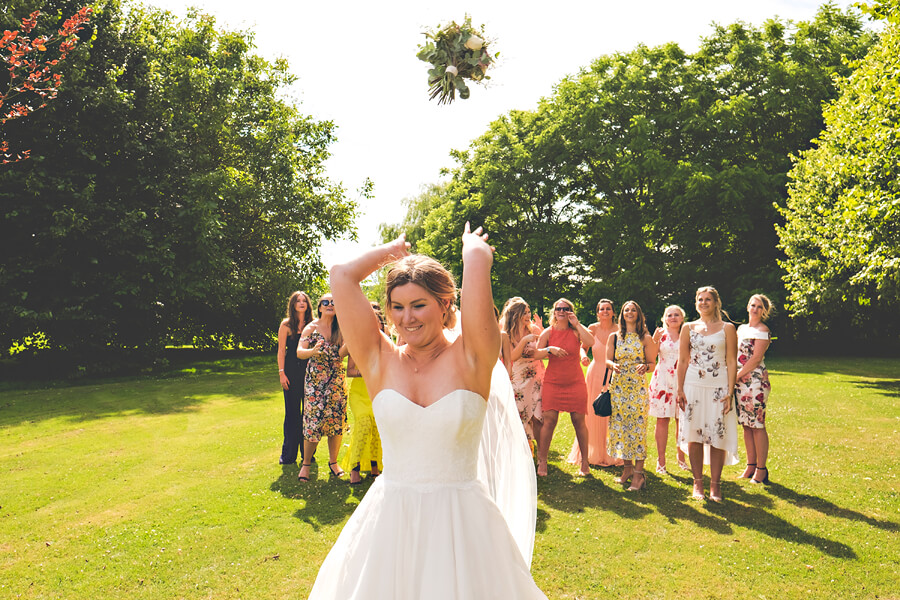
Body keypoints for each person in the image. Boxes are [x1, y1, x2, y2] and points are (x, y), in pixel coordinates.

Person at [311, 224, 546, 599]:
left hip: (464, 527)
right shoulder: (378, 360)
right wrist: (394, 251)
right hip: (390, 524)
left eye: (418, 305)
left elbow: (478, 259)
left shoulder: (472, 357)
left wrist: (472, 247)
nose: (407, 319)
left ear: (445, 305)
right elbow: (341, 275)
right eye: (398, 307)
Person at [676, 286, 739, 502]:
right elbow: (683, 361)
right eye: (700, 299)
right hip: (693, 385)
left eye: (708, 299)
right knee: (694, 435)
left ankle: (715, 485)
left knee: (716, 436)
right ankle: (697, 483)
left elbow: (731, 361)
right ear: (696, 303)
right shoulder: (688, 327)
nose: (703, 303)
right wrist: (679, 389)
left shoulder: (728, 328)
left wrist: (730, 392)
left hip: (719, 387)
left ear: (715, 302)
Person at [536, 298, 595, 477]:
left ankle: (585, 462)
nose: (562, 311)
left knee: (579, 421)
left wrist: (576, 323)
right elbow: (536, 353)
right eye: (559, 308)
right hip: (553, 383)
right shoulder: (548, 332)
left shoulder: (577, 331)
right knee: (549, 421)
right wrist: (550, 349)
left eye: (566, 309)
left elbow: (590, 342)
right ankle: (542, 461)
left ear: (570, 311)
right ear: (554, 312)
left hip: (575, 382)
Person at [296, 292, 349, 482]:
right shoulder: (311, 327)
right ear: (319, 307)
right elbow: (299, 352)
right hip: (315, 382)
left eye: (334, 302)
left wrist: (350, 342)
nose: (329, 304)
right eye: (325, 302)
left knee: (335, 421)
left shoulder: (341, 328)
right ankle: (306, 464)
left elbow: (340, 355)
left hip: (336, 380)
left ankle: (333, 462)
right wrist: (312, 351)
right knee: (313, 422)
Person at [606, 300, 657, 491]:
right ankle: (627, 469)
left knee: (636, 429)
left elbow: (652, 363)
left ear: (639, 314)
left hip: (637, 388)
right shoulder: (615, 336)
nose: (629, 312)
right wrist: (613, 365)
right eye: (626, 310)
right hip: (618, 387)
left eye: (633, 310)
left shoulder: (645, 337)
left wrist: (646, 366)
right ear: (622, 314)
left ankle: (638, 475)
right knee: (620, 428)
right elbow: (607, 359)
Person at [567, 299, 621, 467]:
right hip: (594, 373)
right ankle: (591, 452)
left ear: (613, 312)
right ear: (597, 313)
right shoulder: (592, 328)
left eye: (608, 309)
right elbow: (583, 346)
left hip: (615, 374)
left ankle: (611, 453)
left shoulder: (620, 329)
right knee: (592, 412)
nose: (605, 311)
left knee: (613, 414)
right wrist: (583, 355)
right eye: (601, 309)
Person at [340, 302, 386, 485]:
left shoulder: (386, 343)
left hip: (377, 392)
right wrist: (365, 371)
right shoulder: (356, 342)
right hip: (360, 393)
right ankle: (355, 467)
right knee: (363, 424)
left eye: (377, 322)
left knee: (376, 428)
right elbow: (349, 370)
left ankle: (375, 466)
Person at [735, 294, 773, 485]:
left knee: (757, 425)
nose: (755, 309)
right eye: (752, 305)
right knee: (746, 425)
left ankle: (761, 469)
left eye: (759, 306)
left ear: (764, 311)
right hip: (740, 383)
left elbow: (756, 358)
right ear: (747, 307)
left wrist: (738, 375)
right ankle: (750, 465)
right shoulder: (741, 329)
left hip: (755, 382)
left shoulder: (763, 330)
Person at [501, 297, 548, 449]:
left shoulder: (534, 329)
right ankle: (522, 448)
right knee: (519, 414)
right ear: (516, 315)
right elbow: (511, 357)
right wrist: (523, 342)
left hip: (537, 376)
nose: (528, 316)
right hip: (518, 377)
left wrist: (540, 333)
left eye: (529, 312)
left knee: (538, 415)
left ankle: (541, 454)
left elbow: (544, 351)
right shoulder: (505, 334)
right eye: (525, 313)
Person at [648, 305, 689, 474]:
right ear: (664, 318)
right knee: (662, 420)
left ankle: (681, 458)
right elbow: (650, 358)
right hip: (662, 381)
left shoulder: (687, 335)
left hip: (683, 381)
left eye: (676, 315)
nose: (673, 317)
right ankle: (661, 461)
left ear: (682, 318)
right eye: (669, 315)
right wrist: (654, 340)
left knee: (682, 421)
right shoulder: (660, 335)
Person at [276, 291, 313, 465]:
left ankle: (307, 455)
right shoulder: (286, 325)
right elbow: (281, 351)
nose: (301, 303)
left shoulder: (312, 325)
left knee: (308, 414)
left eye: (304, 300)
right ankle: (288, 455)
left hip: (309, 372)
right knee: (292, 413)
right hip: (290, 371)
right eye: (298, 300)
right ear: (293, 304)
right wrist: (282, 373)